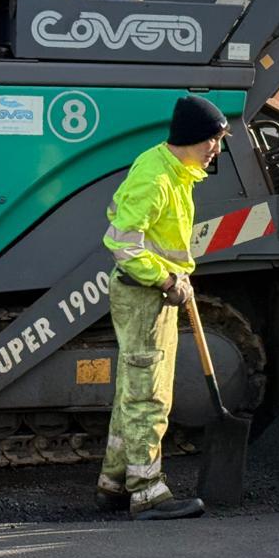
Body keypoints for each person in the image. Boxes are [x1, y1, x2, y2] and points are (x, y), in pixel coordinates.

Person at [97, 94, 231, 520]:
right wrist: (167, 279)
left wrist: (175, 276)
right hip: (145, 297)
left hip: (152, 293)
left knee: (132, 390)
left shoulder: (172, 170)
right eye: (213, 140)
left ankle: (115, 481)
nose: (216, 149)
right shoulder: (156, 178)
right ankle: (147, 493)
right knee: (148, 396)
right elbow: (122, 243)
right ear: (193, 137)